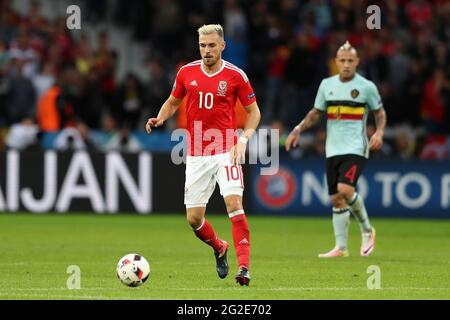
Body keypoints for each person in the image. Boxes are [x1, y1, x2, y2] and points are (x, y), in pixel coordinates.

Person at [146, 24, 261, 285]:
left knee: (234, 204)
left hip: (226, 149)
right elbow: (173, 101)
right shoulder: (186, 72)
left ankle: (244, 269)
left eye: (211, 45)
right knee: (194, 220)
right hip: (197, 153)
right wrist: (160, 117)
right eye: (202, 45)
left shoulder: (236, 75)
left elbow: (254, 112)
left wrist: (243, 139)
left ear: (222, 45)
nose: (207, 50)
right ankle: (220, 247)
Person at [285, 41, 387, 258]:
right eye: (343, 60)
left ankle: (368, 231)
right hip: (333, 148)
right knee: (336, 199)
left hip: (356, 147)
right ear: (336, 62)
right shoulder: (326, 85)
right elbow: (315, 113)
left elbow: (380, 112)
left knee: (345, 190)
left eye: (351, 60)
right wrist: (298, 129)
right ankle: (341, 248)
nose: (347, 64)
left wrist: (378, 133)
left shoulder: (367, 87)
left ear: (357, 62)